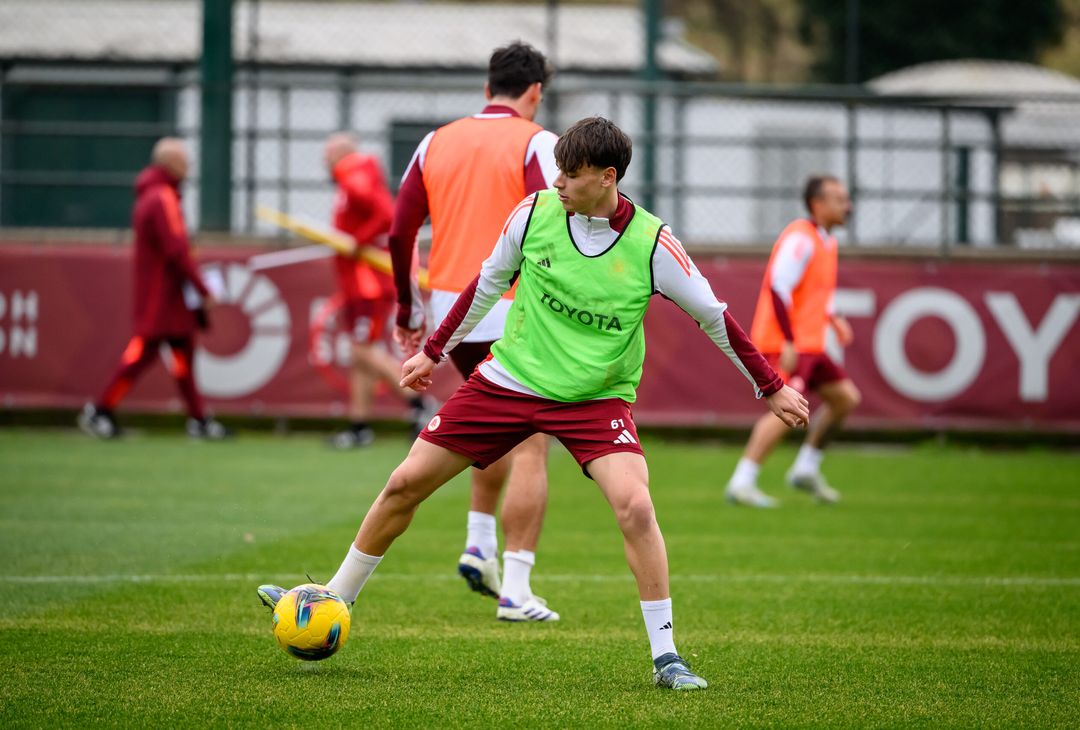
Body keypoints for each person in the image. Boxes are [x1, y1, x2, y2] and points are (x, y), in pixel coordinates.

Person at [259, 117, 809, 690]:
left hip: (595, 401)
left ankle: (667, 658)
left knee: (636, 508)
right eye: (557, 173)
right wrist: (433, 351)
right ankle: (331, 600)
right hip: (508, 382)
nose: (559, 183)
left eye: (570, 175)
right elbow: (486, 284)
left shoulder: (653, 243)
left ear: (607, 177)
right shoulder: (533, 214)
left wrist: (771, 387)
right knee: (403, 484)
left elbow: (715, 318)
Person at [388, 42, 560, 620]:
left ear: (488, 88)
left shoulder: (435, 140)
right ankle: (516, 586)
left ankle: (479, 541)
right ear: (535, 91)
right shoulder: (537, 142)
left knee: (496, 422)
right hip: (517, 307)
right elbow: (561, 216)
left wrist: (409, 310)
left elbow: (399, 231)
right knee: (534, 439)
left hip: (450, 312)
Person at [78, 138, 228, 441]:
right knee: (140, 355)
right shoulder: (162, 198)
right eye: (184, 160)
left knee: (183, 355)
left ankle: (198, 419)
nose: (189, 166)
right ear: (170, 162)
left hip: (165, 299)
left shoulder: (155, 195)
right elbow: (177, 250)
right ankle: (101, 410)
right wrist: (203, 289)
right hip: (163, 300)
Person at [724, 175, 860, 508]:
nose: (848, 205)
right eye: (839, 199)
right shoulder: (801, 238)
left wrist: (833, 317)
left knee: (845, 399)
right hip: (788, 342)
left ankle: (805, 468)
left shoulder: (826, 240)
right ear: (818, 204)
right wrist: (786, 339)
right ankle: (742, 481)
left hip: (810, 343)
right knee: (785, 409)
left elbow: (812, 292)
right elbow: (778, 287)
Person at [322, 132, 436, 448]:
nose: (324, 160)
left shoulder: (353, 174)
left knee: (362, 351)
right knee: (361, 356)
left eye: (329, 153)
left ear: (342, 154)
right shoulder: (355, 175)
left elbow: (386, 215)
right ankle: (359, 426)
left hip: (367, 284)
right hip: (360, 283)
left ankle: (419, 404)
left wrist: (356, 242)